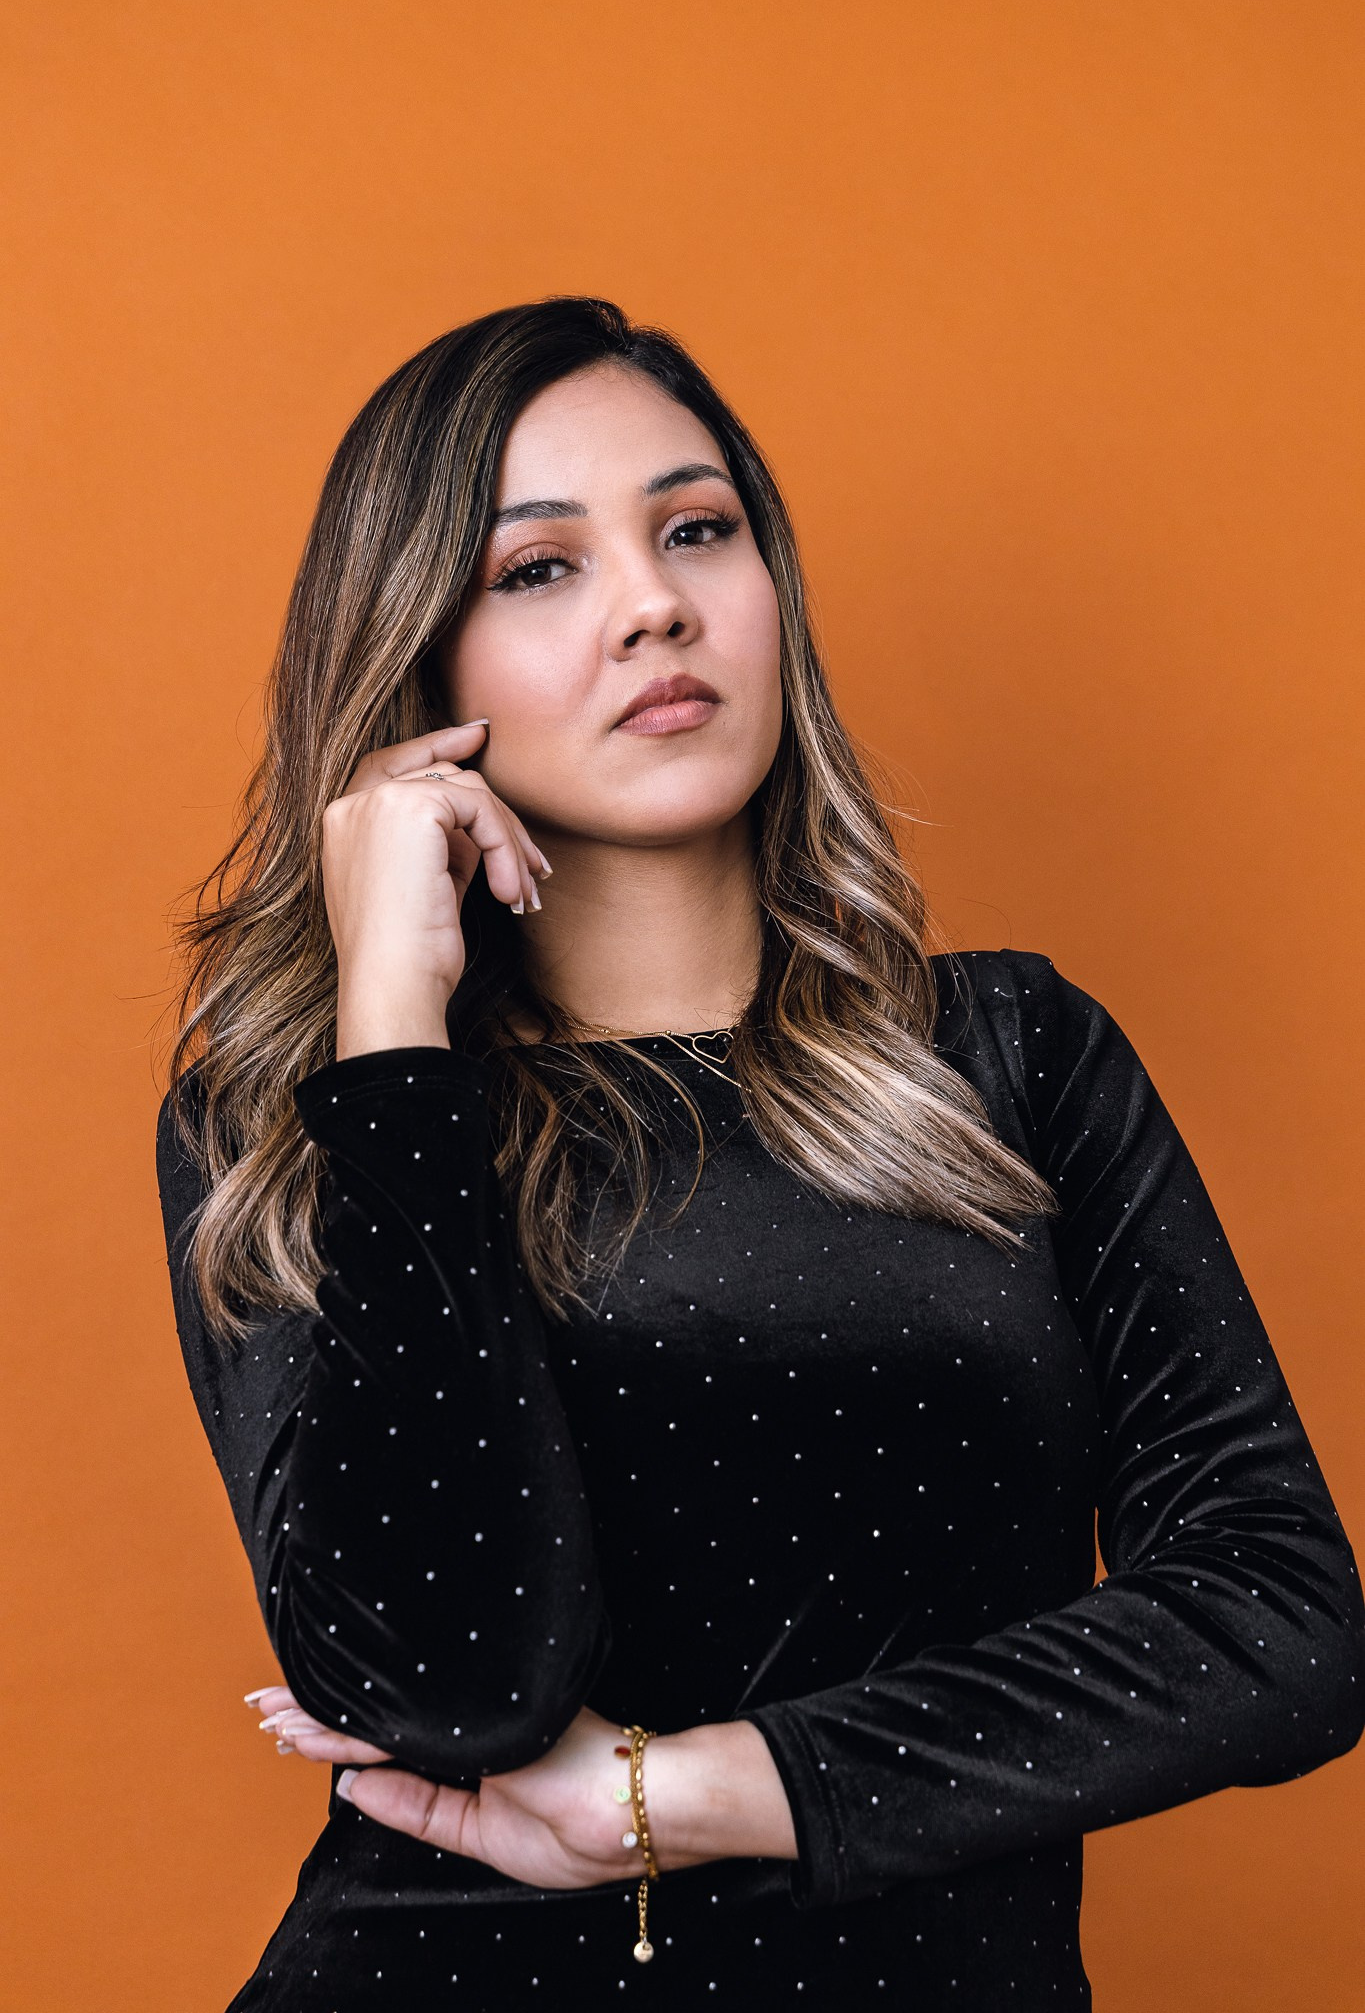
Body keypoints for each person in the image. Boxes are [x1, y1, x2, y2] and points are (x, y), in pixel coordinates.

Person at [156, 297, 1365, 2011]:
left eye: (696, 530)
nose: (653, 603)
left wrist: (690, 1796)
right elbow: (449, 1688)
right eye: (538, 569)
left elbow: (1278, 1626)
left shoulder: (1007, 1056)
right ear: (417, 667)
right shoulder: (300, 1121)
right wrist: (394, 1029)